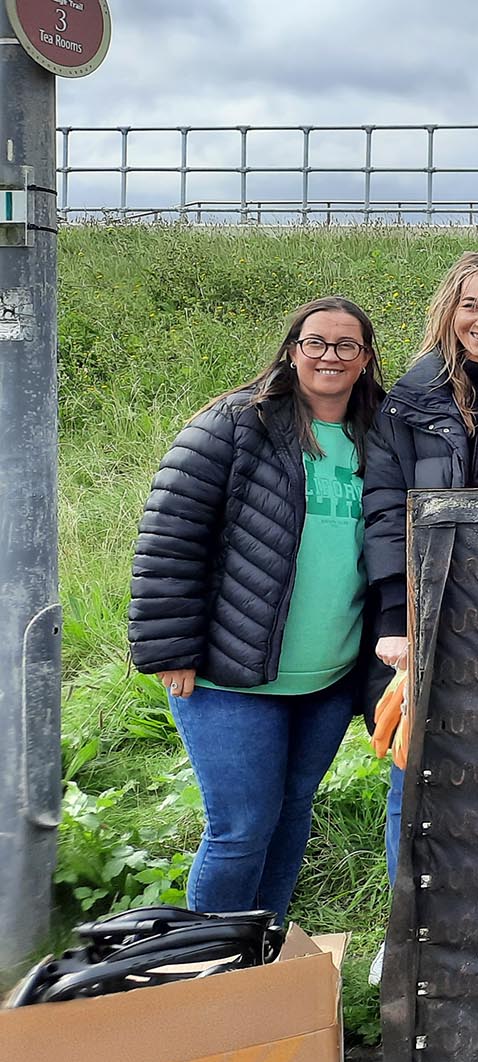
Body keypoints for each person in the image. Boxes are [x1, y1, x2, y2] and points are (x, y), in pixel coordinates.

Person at [129, 297, 386, 920]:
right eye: (315, 343)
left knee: (293, 812)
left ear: (366, 359)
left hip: (326, 677)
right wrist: (171, 650)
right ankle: (205, 971)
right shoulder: (236, 423)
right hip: (229, 674)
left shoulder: (379, 433)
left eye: (345, 345)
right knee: (240, 828)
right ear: (292, 350)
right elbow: (171, 535)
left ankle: (262, 955)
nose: (329, 356)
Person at [362, 252, 478, 895]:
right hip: (429, 609)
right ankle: (409, 917)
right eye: (470, 305)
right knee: (416, 770)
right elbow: (384, 510)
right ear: (449, 310)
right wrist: (393, 615)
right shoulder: (408, 400)